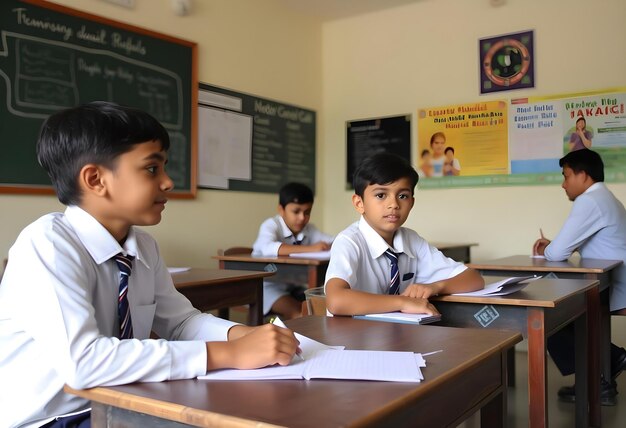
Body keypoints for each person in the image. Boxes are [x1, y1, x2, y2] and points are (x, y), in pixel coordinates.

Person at [0, 102, 300, 428]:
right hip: (54, 417)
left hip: (122, 398)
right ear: (95, 178)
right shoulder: (49, 244)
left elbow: (181, 322)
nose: (169, 182)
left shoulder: (142, 245)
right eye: (152, 169)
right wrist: (229, 354)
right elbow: (84, 363)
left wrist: (242, 335)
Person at [324, 153, 484, 316]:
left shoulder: (411, 240)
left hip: (396, 333)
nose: (393, 204)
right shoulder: (349, 241)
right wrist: (403, 302)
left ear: (412, 203)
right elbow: (336, 301)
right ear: (359, 203)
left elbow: (473, 279)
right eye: (381, 195)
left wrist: (435, 286)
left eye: (402, 196)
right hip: (351, 335)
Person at [532, 148, 626, 406]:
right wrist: (555, 245)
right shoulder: (605, 197)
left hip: (614, 283)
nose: (563, 184)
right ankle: (603, 374)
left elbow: (557, 253)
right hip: (611, 279)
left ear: (583, 175)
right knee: (566, 309)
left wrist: (548, 248)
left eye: (566, 176)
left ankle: (600, 374)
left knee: (547, 314)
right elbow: (580, 243)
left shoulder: (589, 200)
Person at [252, 182, 334, 319]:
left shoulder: (309, 229)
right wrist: (312, 249)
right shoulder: (271, 225)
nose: (302, 218)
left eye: (307, 212)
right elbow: (268, 247)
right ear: (281, 210)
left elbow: (333, 240)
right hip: (265, 288)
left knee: (322, 309)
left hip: (292, 287)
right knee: (301, 314)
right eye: (296, 211)